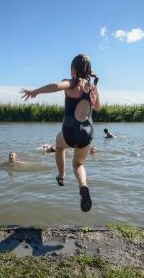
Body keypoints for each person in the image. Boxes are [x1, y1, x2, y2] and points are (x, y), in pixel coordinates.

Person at [21, 54, 100, 212]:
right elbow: (97, 108)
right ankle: (83, 186)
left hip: (70, 131)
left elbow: (56, 86)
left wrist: (35, 92)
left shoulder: (72, 83)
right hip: (87, 133)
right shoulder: (91, 87)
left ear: (73, 69)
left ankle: (62, 176)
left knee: (59, 146)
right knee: (78, 164)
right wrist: (95, 91)